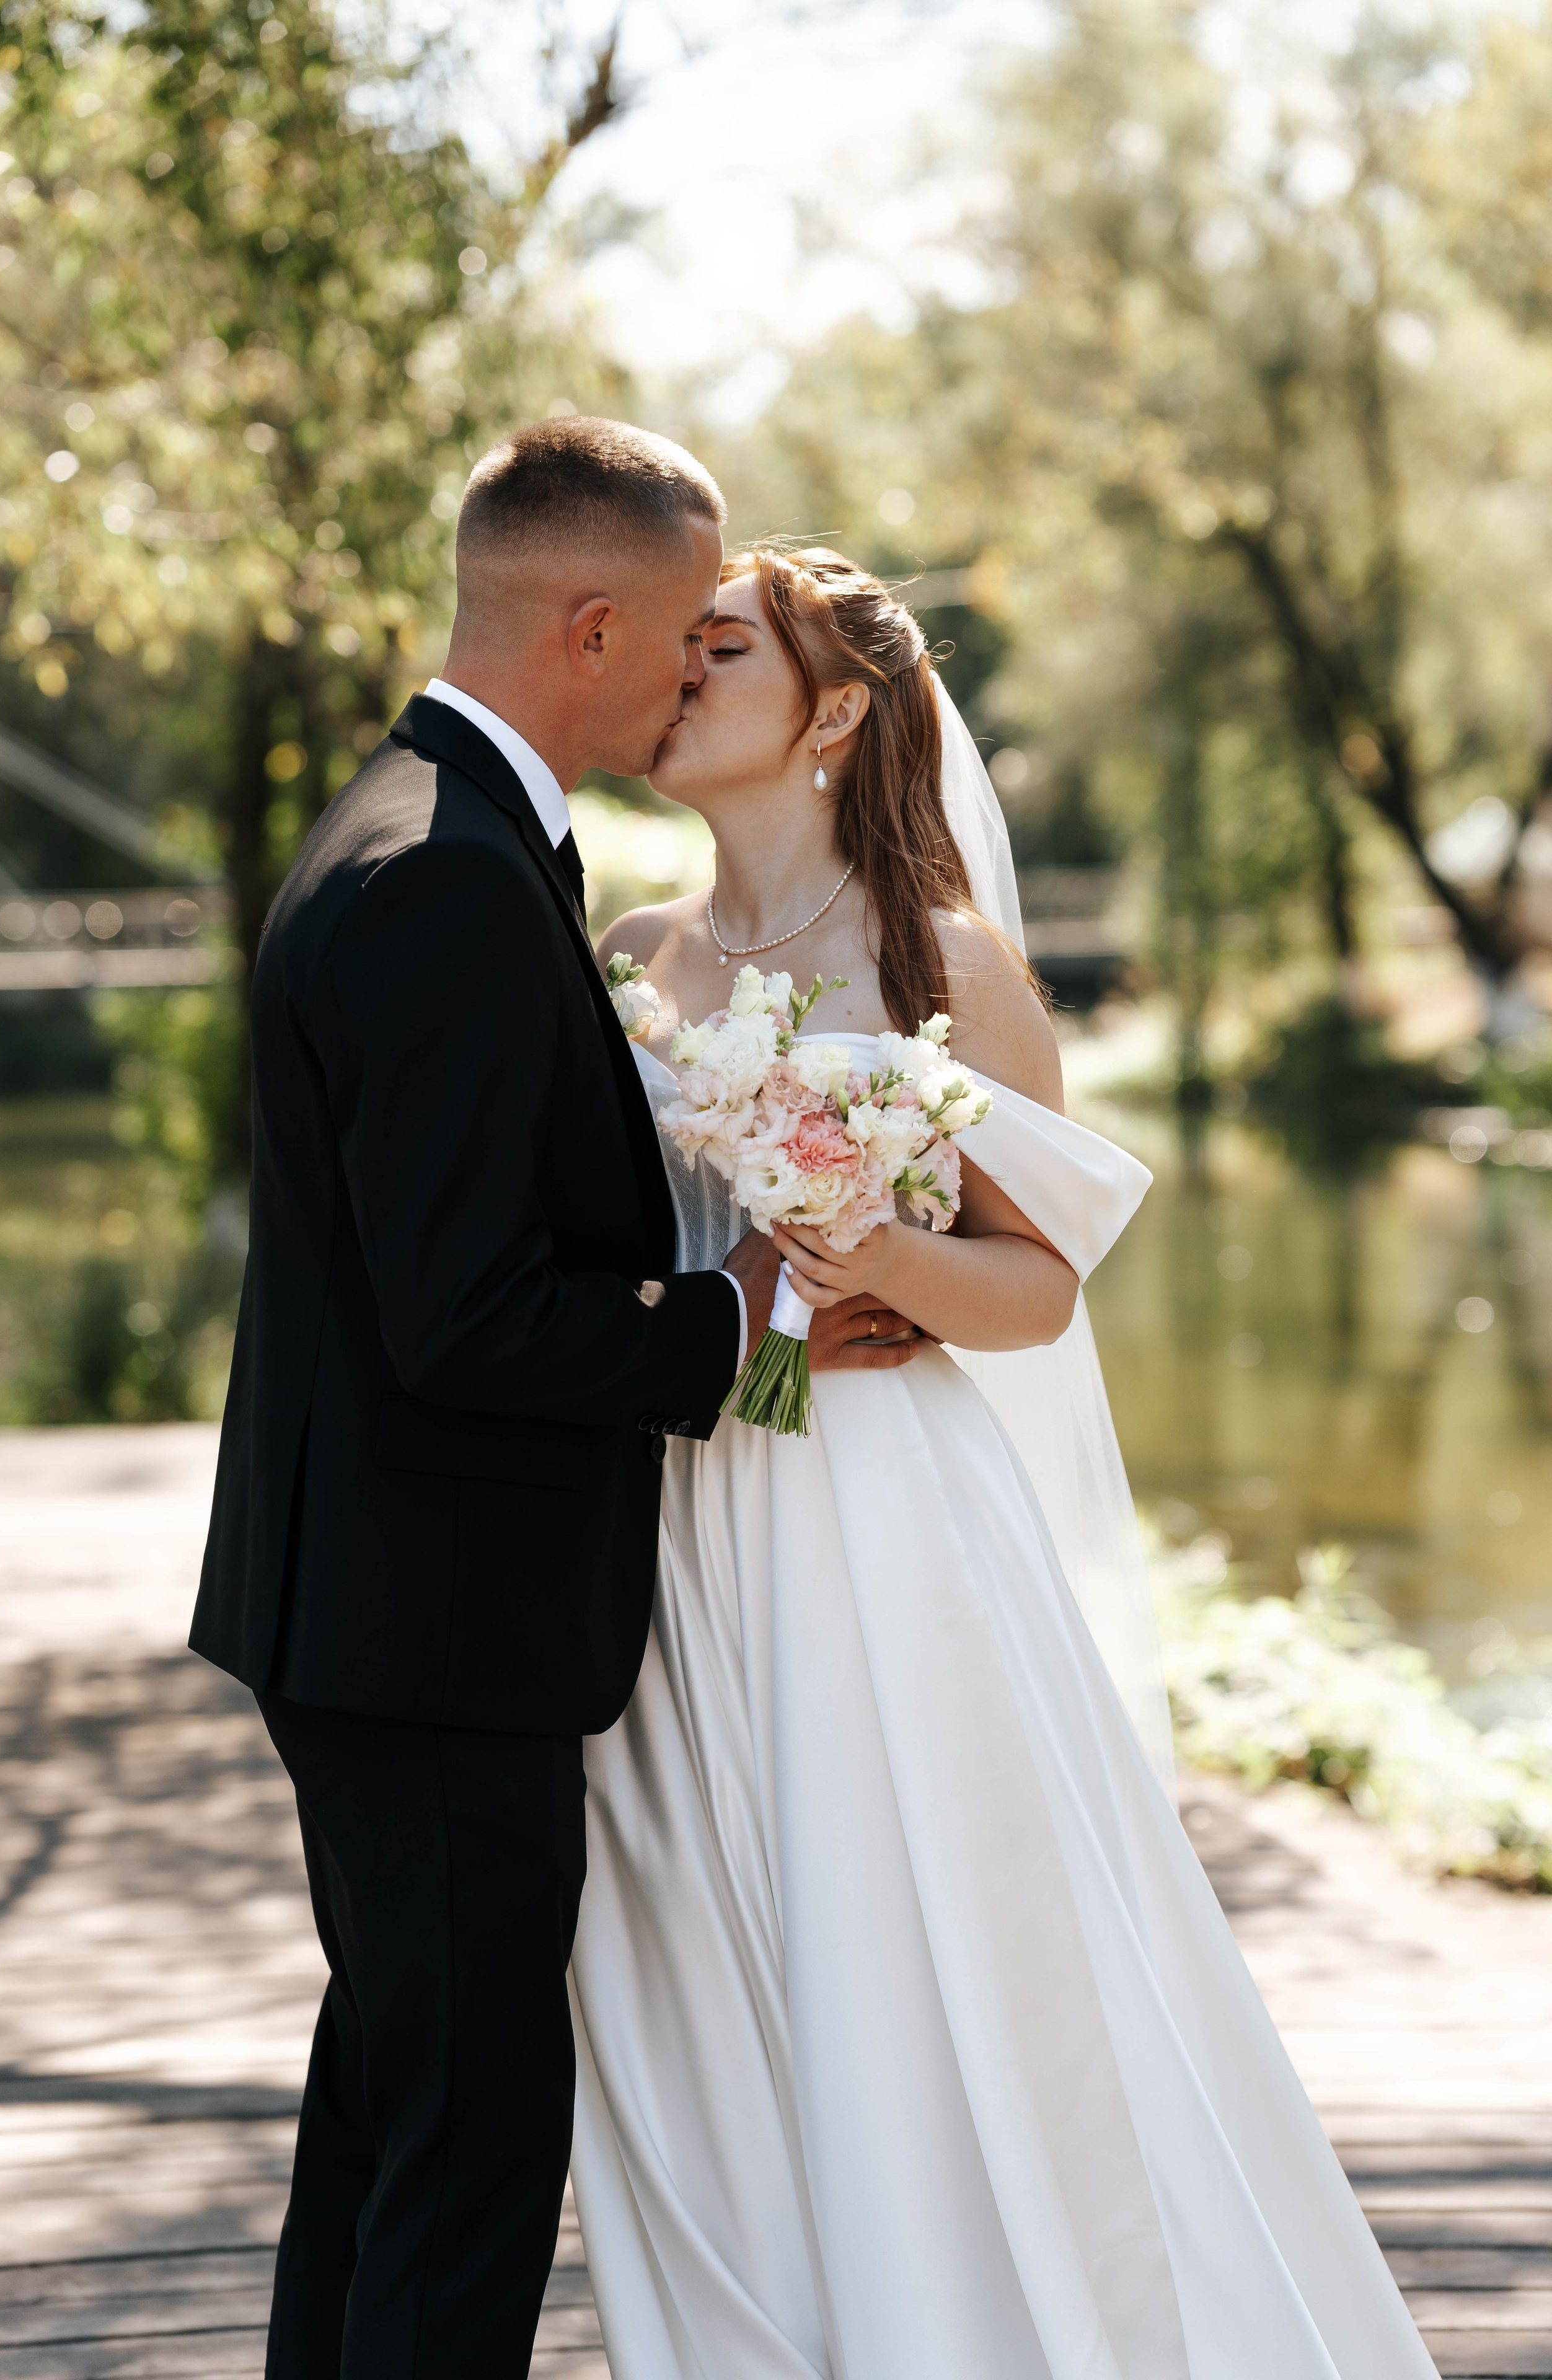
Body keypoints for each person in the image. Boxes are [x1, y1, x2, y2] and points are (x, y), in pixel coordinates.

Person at [571, 544, 1440, 2380]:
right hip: (679, 1522)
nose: (680, 664)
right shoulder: (632, 957)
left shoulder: (941, 958)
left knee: (915, 1936)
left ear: (835, 712)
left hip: (881, 1521)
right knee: (715, 1959)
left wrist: (872, 1254)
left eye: (725, 644)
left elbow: (1040, 1291)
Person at [188, 430, 919, 2380]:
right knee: (471, 2144)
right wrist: (736, 1315)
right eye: (685, 637)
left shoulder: (429, 831)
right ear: (591, 625)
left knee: (393, 2111)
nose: (696, 672)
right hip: (433, 1628)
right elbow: (469, 1318)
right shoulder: (443, 879)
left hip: (394, 1607)